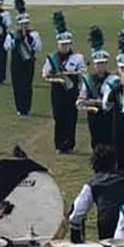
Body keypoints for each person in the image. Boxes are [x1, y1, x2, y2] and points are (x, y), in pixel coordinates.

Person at [41, 14, 84, 154]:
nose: (65, 47)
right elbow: (45, 75)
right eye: (62, 45)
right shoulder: (52, 58)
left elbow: (83, 73)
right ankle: (59, 145)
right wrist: (57, 78)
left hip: (72, 91)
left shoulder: (77, 57)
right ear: (58, 45)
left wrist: (71, 75)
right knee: (59, 117)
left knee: (71, 117)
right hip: (57, 91)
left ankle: (70, 144)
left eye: (67, 44)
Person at [68, 144, 124, 242]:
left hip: (107, 224)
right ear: (115, 163)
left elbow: (77, 214)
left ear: (93, 166)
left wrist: (77, 241)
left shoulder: (92, 184)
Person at [4, 0, 41, 117]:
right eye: (22, 24)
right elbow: (6, 47)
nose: (24, 26)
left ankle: (27, 107)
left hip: (28, 62)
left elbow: (38, 48)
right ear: (18, 24)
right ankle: (19, 107)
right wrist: (16, 41)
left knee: (27, 84)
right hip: (16, 62)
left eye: (26, 23)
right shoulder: (12, 35)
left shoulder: (34, 34)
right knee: (17, 85)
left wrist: (30, 41)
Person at [79, 27, 114, 149]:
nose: (101, 66)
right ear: (94, 65)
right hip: (93, 115)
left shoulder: (113, 79)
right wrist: (90, 102)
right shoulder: (88, 80)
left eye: (103, 63)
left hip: (108, 115)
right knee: (95, 140)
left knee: (109, 140)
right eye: (98, 64)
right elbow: (82, 98)